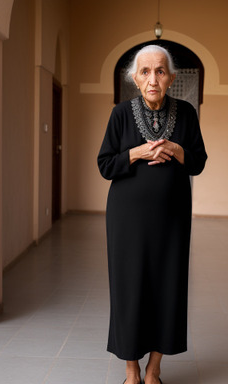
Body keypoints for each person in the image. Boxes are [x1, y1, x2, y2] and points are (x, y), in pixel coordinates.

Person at [97, 45, 207, 384]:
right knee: (130, 288)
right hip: (126, 221)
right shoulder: (120, 114)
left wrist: (175, 149)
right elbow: (105, 165)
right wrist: (136, 153)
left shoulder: (186, 113)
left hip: (172, 218)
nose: (153, 78)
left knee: (168, 287)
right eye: (145, 72)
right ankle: (131, 371)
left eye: (160, 71)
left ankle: (154, 369)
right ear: (135, 78)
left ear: (171, 78)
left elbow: (199, 162)